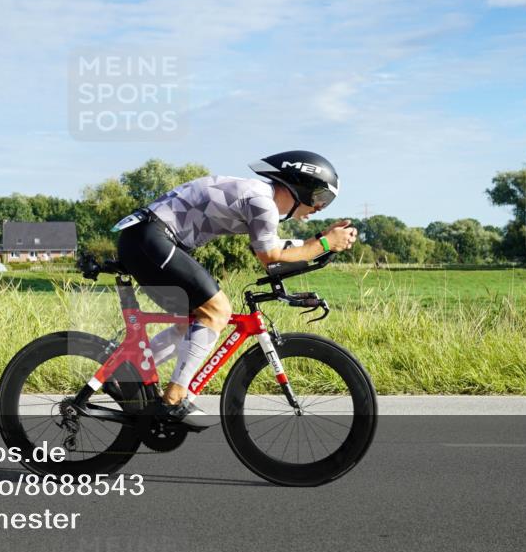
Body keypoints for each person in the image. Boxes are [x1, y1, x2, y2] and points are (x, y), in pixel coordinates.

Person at [112, 150, 358, 428]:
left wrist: (320, 239)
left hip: (147, 239)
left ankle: (124, 376)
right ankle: (173, 399)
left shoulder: (261, 199)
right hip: (151, 238)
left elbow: (274, 249)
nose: (319, 208)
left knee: (192, 323)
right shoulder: (261, 201)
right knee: (217, 311)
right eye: (320, 198)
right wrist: (325, 244)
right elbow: (270, 257)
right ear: (298, 185)